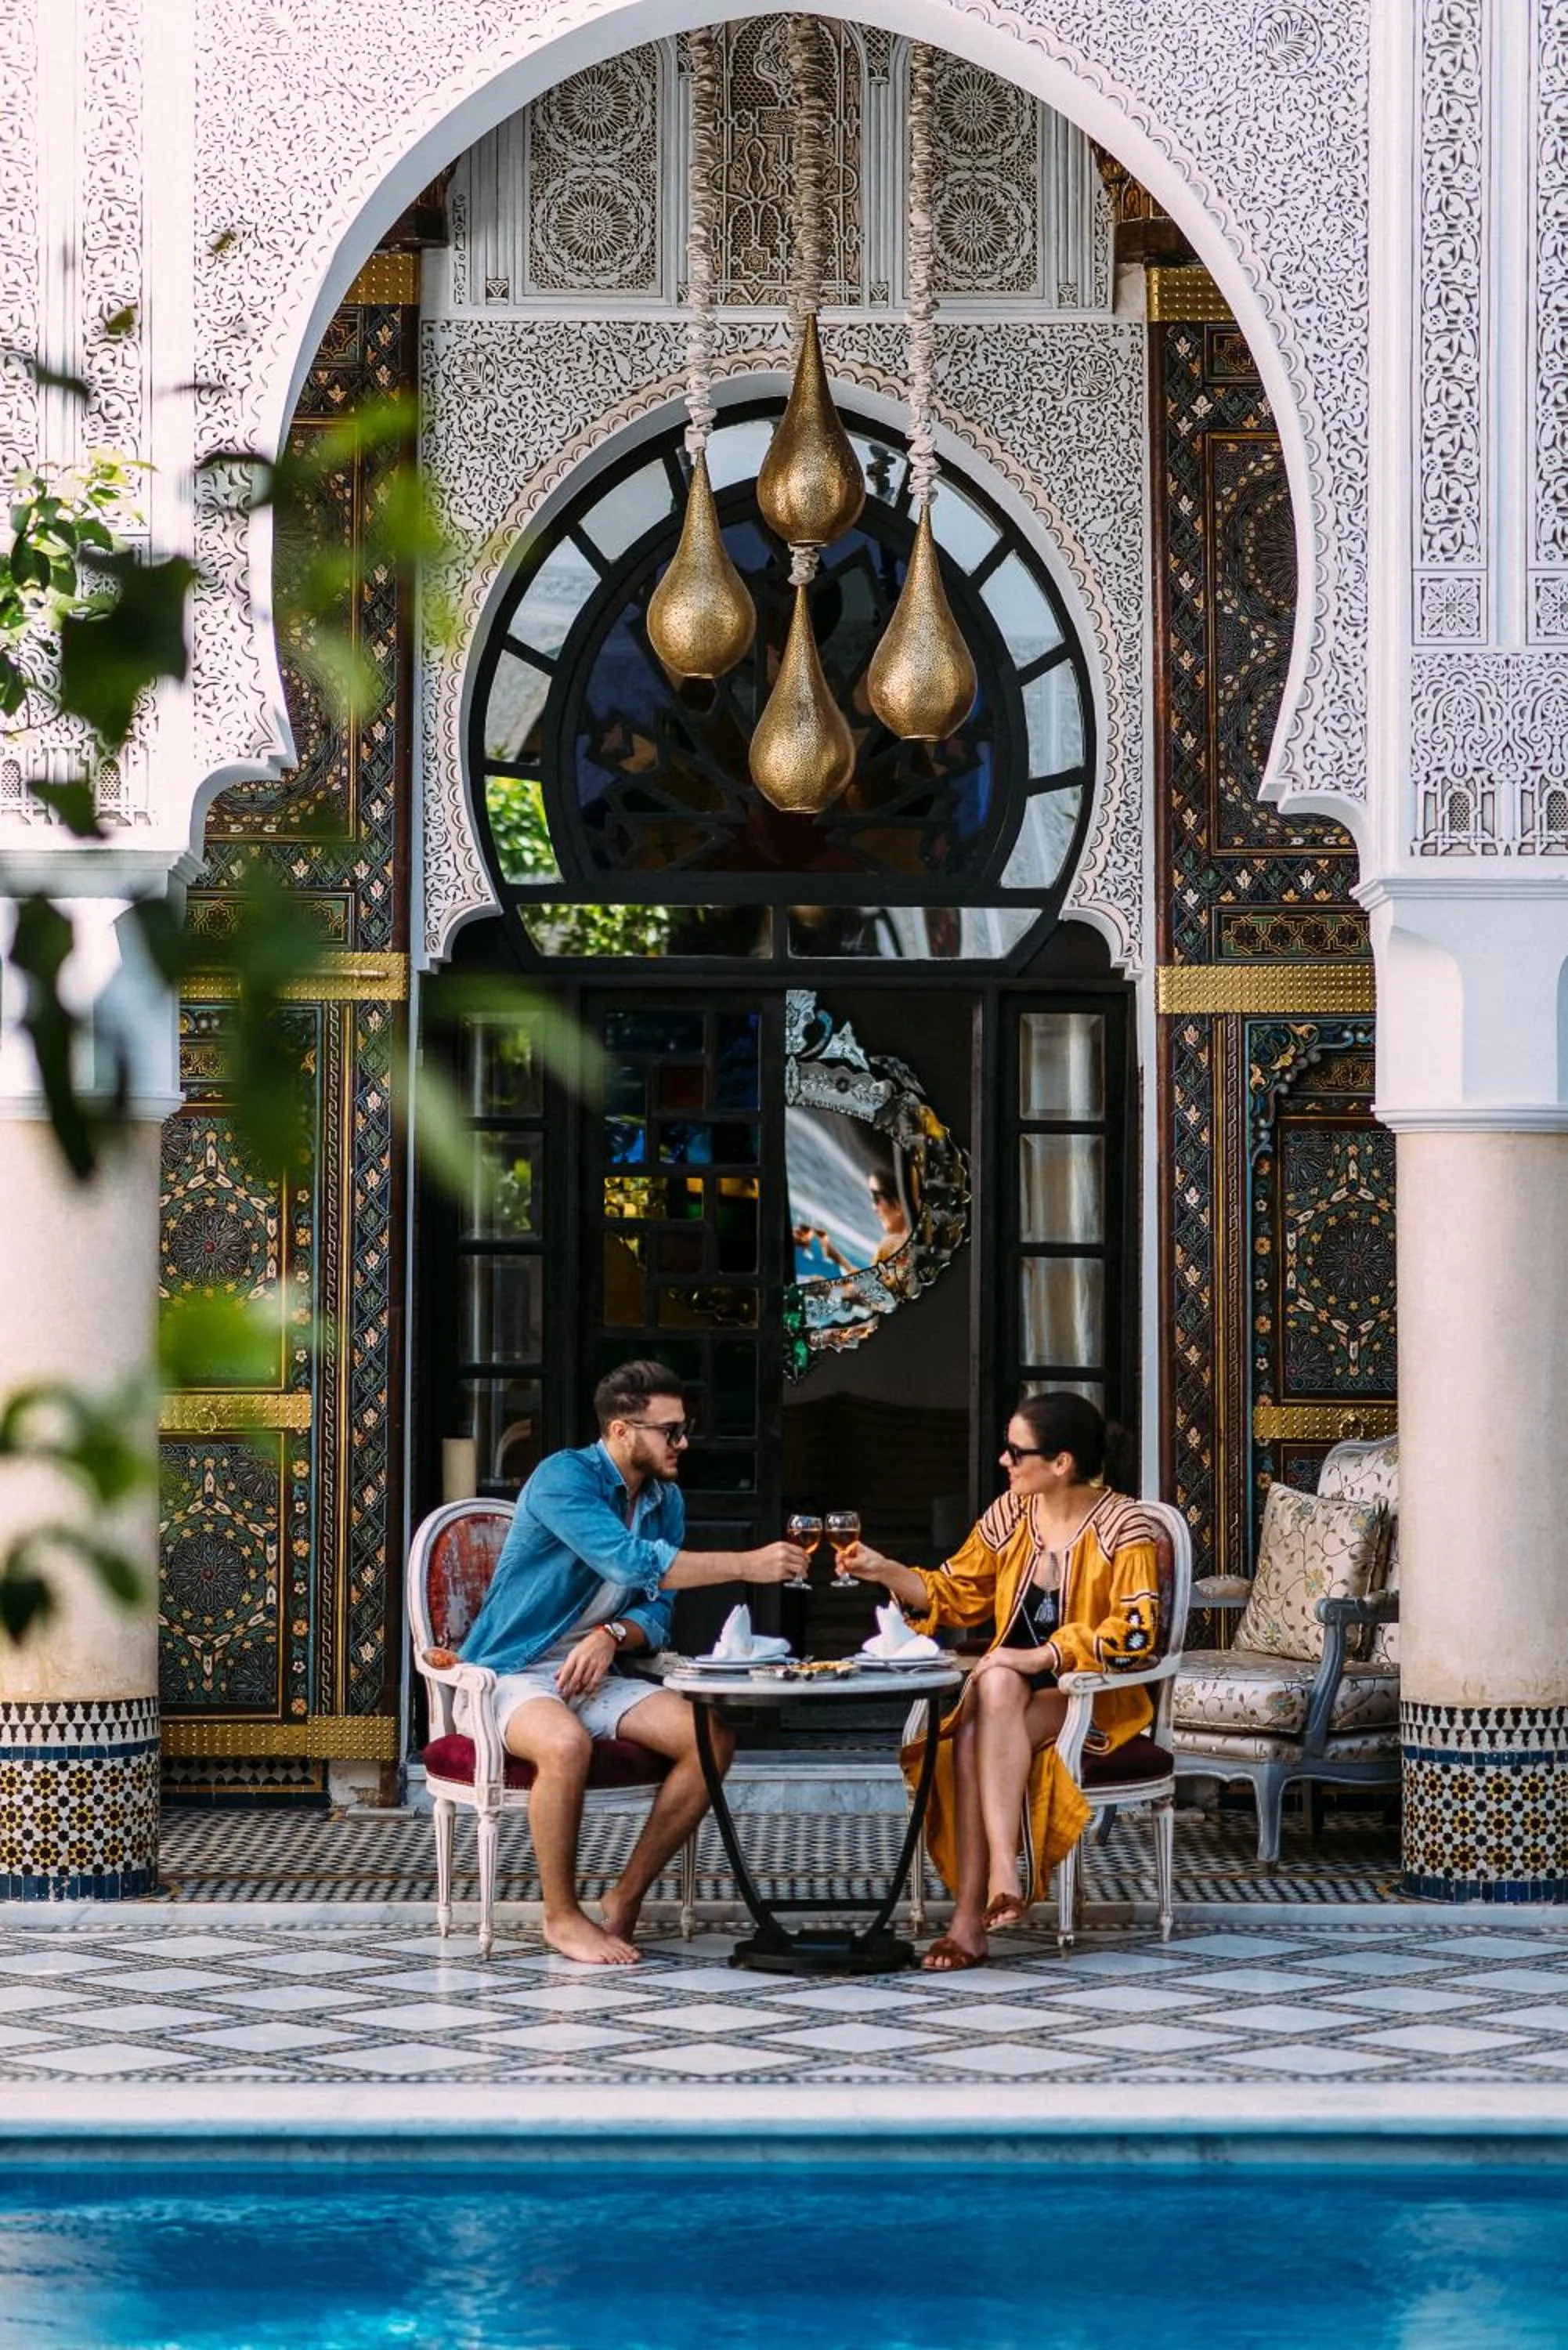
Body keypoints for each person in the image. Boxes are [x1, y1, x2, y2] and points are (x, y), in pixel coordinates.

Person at [455, 1360, 807, 1968]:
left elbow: (659, 1611)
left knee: (710, 1738)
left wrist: (613, 1634)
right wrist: (747, 1566)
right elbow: (630, 1564)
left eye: (683, 1428)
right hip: (508, 1670)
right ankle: (561, 1918)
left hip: (595, 1672)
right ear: (622, 1431)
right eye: (670, 1431)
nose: (683, 1443)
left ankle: (624, 1896)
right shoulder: (563, 1479)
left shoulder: (664, 1499)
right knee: (565, 1746)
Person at [840, 1392, 1162, 1972]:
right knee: (988, 1695)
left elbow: (1137, 1634)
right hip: (1008, 1695)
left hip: (1089, 1696)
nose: (1004, 1462)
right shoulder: (1011, 1513)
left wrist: (1042, 1657)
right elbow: (956, 1595)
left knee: (982, 1710)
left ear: (1061, 1463)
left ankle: (971, 1917)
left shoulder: (1124, 1524)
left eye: (1017, 1451)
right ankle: (999, 1876)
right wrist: (883, 1569)